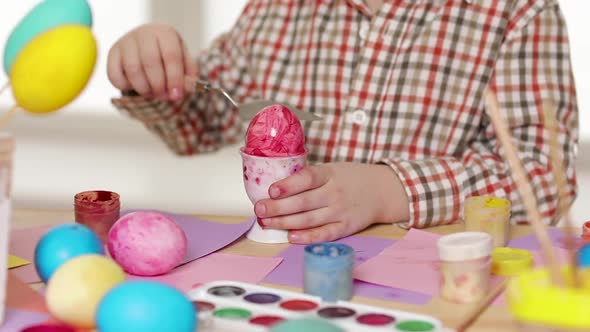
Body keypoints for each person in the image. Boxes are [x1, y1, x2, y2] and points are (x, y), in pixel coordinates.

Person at [108, 0, 579, 244]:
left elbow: (541, 178)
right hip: (292, 277)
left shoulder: (519, 11)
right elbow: (201, 124)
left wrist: (387, 191)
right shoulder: (276, 10)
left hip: (441, 291)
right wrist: (149, 71)